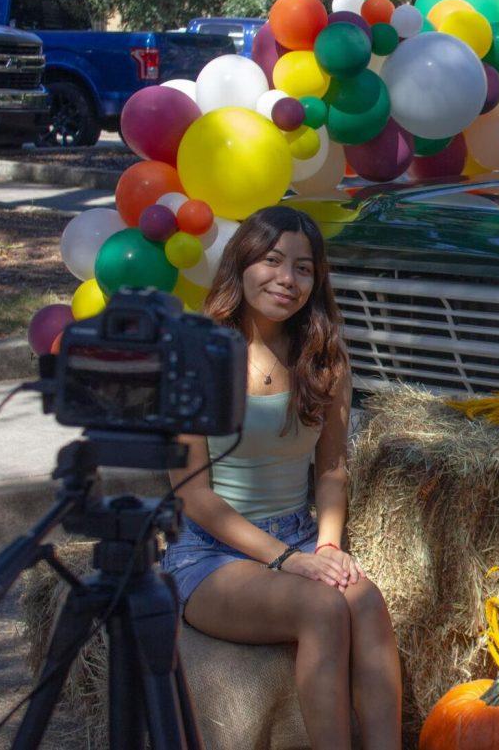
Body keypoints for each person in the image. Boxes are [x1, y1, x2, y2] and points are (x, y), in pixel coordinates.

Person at [160, 206, 400, 750]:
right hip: (210, 551)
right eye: (272, 260)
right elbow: (192, 493)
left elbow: (332, 468)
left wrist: (329, 545)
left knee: (364, 600)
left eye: (303, 268)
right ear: (241, 263)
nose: (287, 280)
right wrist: (290, 562)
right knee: (320, 607)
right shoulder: (197, 356)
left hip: (298, 532)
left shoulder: (326, 360)